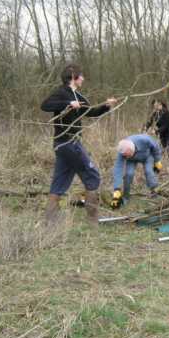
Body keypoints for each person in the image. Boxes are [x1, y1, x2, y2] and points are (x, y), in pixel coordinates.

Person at [41, 63, 117, 224]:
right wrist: (67, 104)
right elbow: (45, 105)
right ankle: (92, 220)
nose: (83, 78)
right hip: (68, 142)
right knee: (93, 176)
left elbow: (91, 112)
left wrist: (106, 106)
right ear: (73, 76)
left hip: (64, 146)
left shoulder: (79, 97)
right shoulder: (61, 92)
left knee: (59, 182)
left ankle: (49, 221)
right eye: (81, 76)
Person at [111, 135, 163, 209]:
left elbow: (155, 146)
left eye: (127, 155)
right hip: (132, 160)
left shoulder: (144, 140)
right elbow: (118, 168)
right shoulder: (122, 150)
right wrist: (116, 189)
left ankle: (154, 191)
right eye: (125, 156)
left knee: (149, 171)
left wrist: (157, 161)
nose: (126, 158)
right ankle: (126, 197)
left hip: (147, 156)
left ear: (132, 149)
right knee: (129, 174)